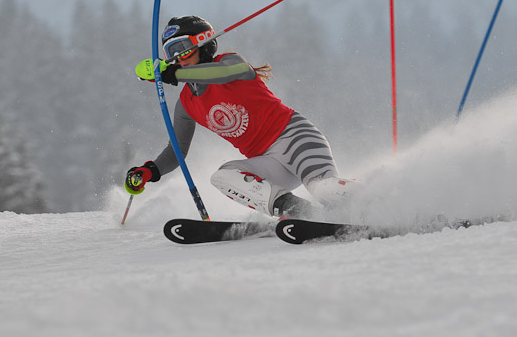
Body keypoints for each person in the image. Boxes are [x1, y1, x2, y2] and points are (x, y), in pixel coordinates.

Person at [126, 15, 354, 219]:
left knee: (323, 189)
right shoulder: (186, 103)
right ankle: (298, 212)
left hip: (295, 138)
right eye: (171, 54)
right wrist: (149, 171)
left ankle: (378, 200)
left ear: (203, 44)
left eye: (183, 48)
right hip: (268, 162)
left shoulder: (231, 62)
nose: (178, 59)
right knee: (223, 177)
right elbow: (177, 151)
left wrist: (175, 74)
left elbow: (223, 74)